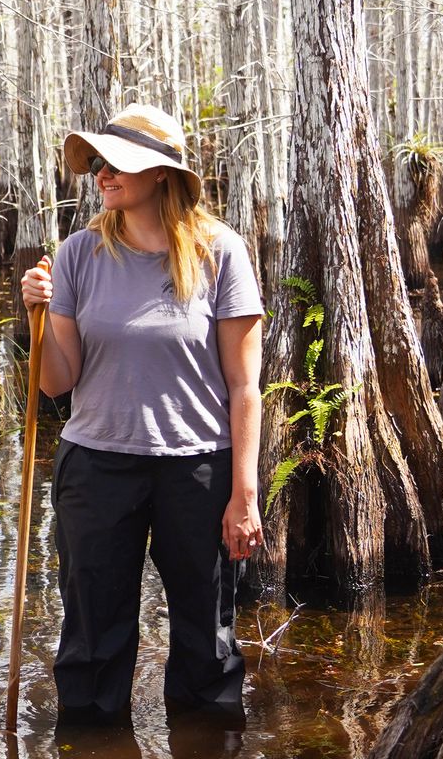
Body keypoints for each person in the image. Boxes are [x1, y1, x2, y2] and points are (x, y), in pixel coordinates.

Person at [20, 102, 264, 724]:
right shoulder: (77, 254)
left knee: (206, 645)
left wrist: (244, 493)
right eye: (98, 161)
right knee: (91, 645)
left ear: (162, 173)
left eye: (118, 162)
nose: (102, 172)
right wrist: (37, 319)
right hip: (96, 467)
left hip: (196, 470)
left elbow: (244, 387)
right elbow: (56, 384)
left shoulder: (221, 253)